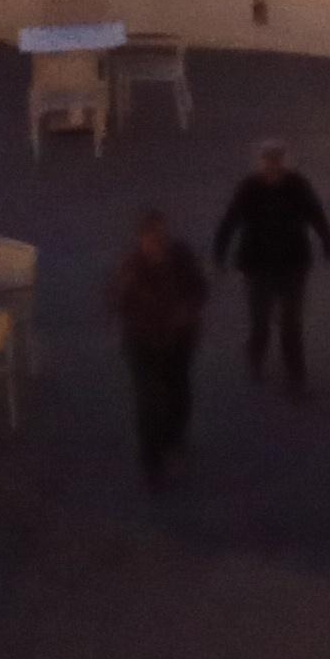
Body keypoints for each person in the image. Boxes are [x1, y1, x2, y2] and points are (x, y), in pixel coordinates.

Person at [211, 139, 330, 397]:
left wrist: (327, 242)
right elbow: (230, 220)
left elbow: (316, 214)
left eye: (276, 160)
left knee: (291, 323)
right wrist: (219, 252)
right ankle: (256, 357)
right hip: (258, 266)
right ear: (261, 163)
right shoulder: (249, 189)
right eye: (268, 161)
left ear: (283, 161)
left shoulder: (297, 185)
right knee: (260, 321)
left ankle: (295, 375)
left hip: (292, 264)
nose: (272, 166)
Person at [104, 206, 210, 486]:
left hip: (177, 340)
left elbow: (201, 289)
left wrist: (187, 312)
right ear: (141, 239)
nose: (156, 243)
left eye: (161, 236)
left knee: (178, 391)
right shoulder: (131, 266)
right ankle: (152, 462)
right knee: (148, 401)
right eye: (151, 238)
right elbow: (114, 299)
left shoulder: (181, 257)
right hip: (143, 343)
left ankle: (175, 434)